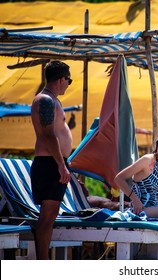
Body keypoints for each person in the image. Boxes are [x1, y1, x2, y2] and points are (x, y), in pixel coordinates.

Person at [30, 60, 73, 259]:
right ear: (62, 79)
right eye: (69, 80)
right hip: (50, 164)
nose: (68, 84)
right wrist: (61, 165)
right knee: (47, 217)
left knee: (50, 215)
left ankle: (43, 260)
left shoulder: (50, 99)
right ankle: (43, 262)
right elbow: (48, 136)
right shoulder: (45, 100)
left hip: (52, 163)